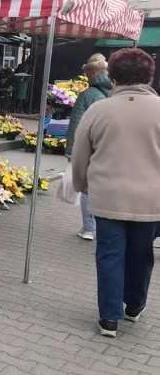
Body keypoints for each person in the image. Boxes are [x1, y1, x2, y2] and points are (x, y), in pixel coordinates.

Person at [71, 48, 160, 338]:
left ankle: (109, 318)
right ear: (150, 75)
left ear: (113, 75)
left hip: (107, 197)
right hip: (150, 199)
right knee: (141, 253)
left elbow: (81, 153)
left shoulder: (99, 109)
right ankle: (134, 306)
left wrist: (82, 184)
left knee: (109, 255)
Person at [64, 54, 112, 241]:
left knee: (86, 189)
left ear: (91, 73)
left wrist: (70, 150)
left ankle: (88, 228)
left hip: (88, 147)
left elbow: (76, 124)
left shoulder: (87, 95)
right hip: (107, 148)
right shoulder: (115, 92)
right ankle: (102, 227)